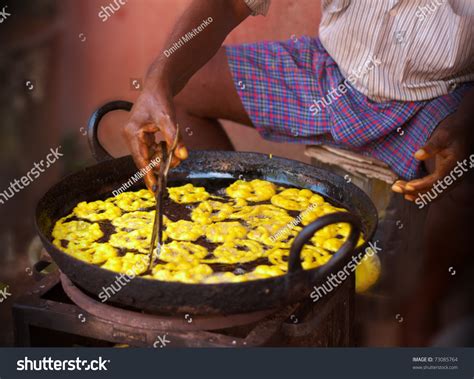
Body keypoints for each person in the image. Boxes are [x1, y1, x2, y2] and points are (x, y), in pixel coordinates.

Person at [123, 0, 474, 345]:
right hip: (334, 76)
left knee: (462, 172)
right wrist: (160, 81)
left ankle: (424, 304)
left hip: (437, 98)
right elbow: (229, 5)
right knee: (185, 88)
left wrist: (466, 121)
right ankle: (234, 239)